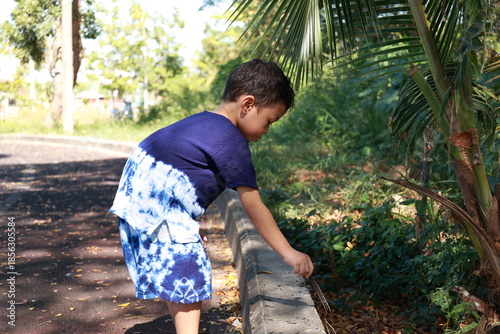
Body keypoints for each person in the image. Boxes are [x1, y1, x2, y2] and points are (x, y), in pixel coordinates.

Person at [109, 58, 314, 334]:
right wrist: (288, 253)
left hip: (139, 192)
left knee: (181, 265)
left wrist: (188, 223)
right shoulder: (230, 140)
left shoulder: (207, 122)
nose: (265, 132)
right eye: (268, 122)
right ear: (248, 105)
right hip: (155, 201)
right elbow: (253, 204)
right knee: (188, 271)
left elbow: (183, 166)